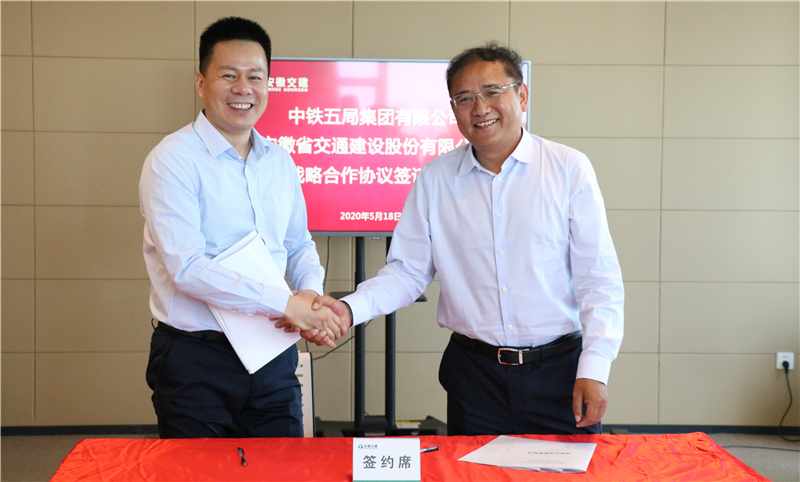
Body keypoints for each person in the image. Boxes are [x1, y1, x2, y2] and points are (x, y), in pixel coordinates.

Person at [284, 42, 624, 435]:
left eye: (492, 92)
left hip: (561, 375)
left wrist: (595, 368)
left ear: (522, 96)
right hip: (476, 380)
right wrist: (348, 310)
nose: (479, 108)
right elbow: (408, 273)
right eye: (464, 98)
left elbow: (598, 281)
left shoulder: (568, 169)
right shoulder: (436, 178)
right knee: (472, 467)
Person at [140, 16, 346, 439]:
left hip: (272, 352)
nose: (243, 88)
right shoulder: (172, 159)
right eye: (228, 75)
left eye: (255, 76)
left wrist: (308, 295)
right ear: (201, 82)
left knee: (282, 465)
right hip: (197, 357)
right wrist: (284, 303)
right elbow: (187, 268)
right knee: (198, 469)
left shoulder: (280, 160)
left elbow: (298, 244)